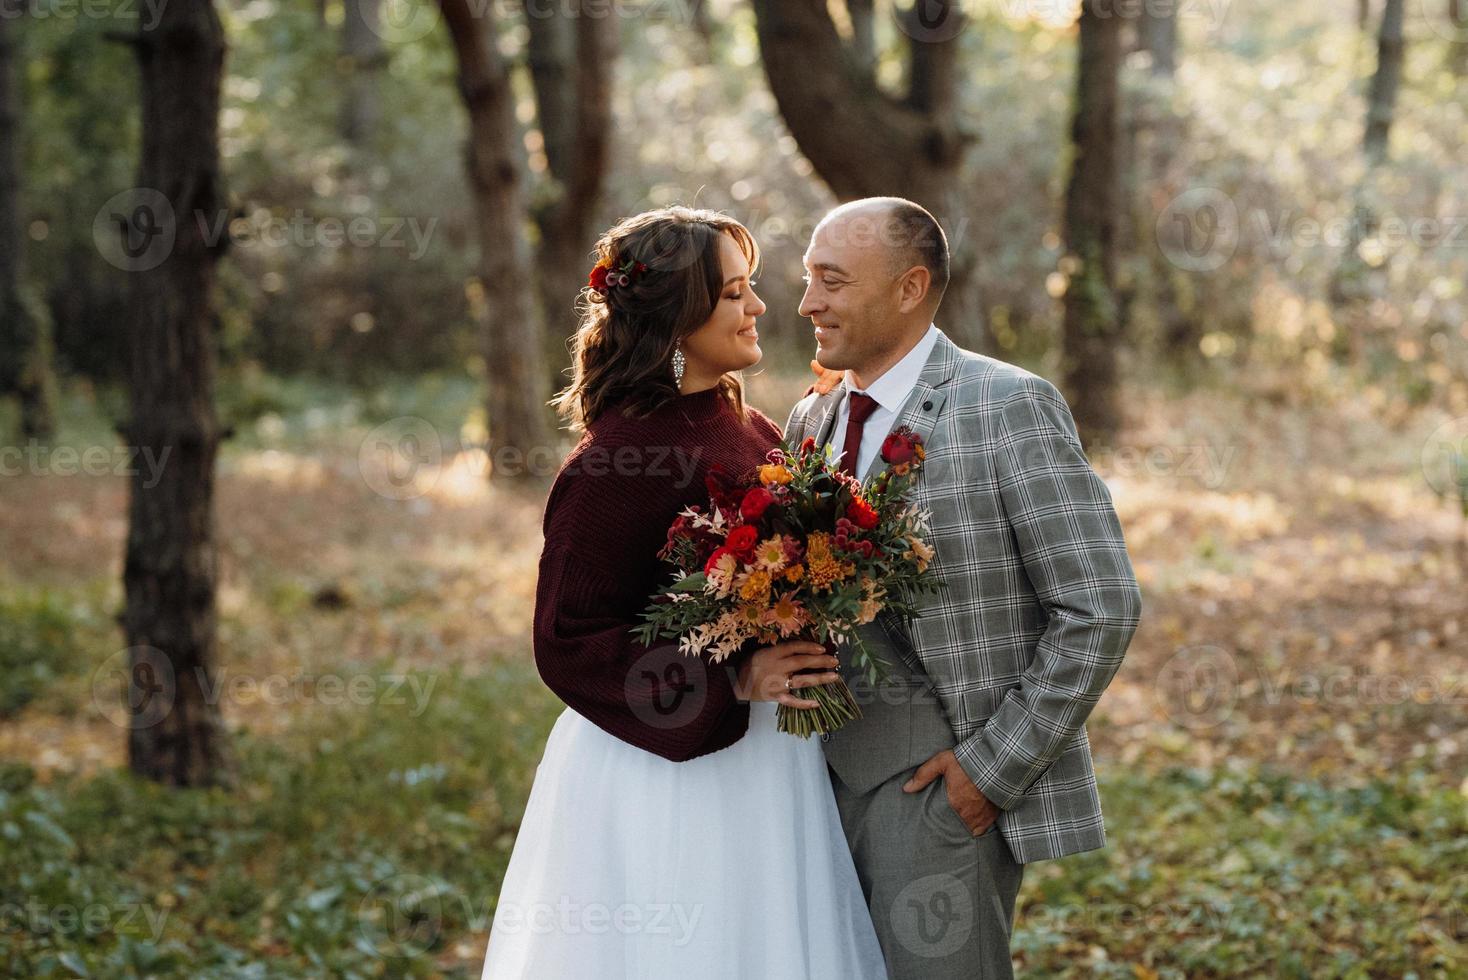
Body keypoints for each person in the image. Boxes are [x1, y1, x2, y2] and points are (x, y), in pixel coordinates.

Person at [481, 206, 887, 979]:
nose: (759, 307)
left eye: (751, 288)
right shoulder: (612, 465)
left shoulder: (755, 429)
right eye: (735, 293)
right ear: (676, 316)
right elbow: (567, 640)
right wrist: (731, 679)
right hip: (668, 769)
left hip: (771, 763)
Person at [784, 197, 1143, 979]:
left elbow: (1102, 606)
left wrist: (990, 771)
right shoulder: (809, 420)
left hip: (938, 792)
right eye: (809, 279)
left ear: (910, 288)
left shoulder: (1007, 405)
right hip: (808, 790)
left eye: (832, 282)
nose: (808, 302)